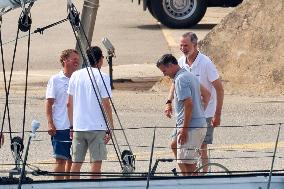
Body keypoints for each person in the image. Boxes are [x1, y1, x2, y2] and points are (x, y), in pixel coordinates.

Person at [166, 32, 224, 173]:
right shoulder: (180, 62)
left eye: (186, 45)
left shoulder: (205, 63)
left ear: (195, 45)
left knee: (202, 147)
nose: (183, 48)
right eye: (181, 45)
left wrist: (217, 114)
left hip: (205, 112)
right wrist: (168, 101)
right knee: (175, 144)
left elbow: (219, 89)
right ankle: (188, 175)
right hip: (186, 113)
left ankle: (203, 177)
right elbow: (174, 83)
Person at [157, 54, 208, 176]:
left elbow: (189, 104)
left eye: (164, 70)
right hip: (197, 124)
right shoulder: (187, 74)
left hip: (190, 127)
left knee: (189, 166)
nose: (164, 74)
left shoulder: (181, 79)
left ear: (171, 66)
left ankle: (189, 182)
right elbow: (205, 96)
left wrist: (184, 129)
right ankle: (185, 179)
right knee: (174, 145)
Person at [67, 46, 113, 179]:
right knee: (96, 164)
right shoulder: (103, 77)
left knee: (76, 164)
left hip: (78, 127)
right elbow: (106, 104)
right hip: (97, 128)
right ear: (100, 60)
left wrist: (71, 126)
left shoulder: (75, 75)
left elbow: (69, 103)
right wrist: (110, 127)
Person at [46, 49, 79, 180]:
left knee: (73, 160)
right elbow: (49, 103)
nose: (77, 61)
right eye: (73, 59)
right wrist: (50, 123)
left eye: (78, 59)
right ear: (64, 60)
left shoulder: (78, 79)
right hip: (60, 126)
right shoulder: (55, 79)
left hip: (77, 126)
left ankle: (69, 185)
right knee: (60, 160)